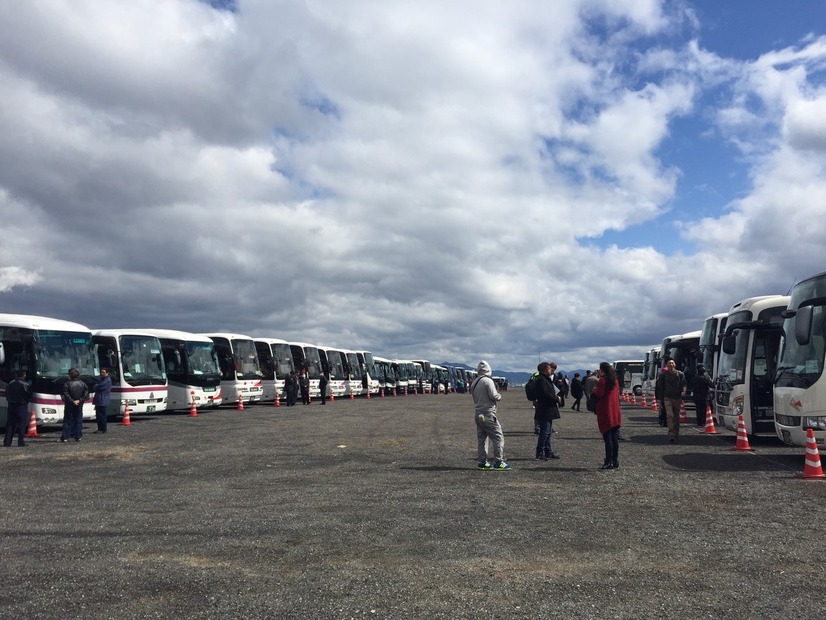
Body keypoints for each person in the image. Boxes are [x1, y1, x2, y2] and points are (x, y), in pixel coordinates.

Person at [470, 360, 509, 470]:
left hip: (478, 413)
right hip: (488, 413)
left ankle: (482, 461)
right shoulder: (488, 381)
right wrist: (499, 397)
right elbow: (493, 395)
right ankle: (499, 461)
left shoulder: (475, 382)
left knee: (482, 439)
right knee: (498, 437)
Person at [593, 362, 622, 469]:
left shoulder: (603, 380)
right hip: (615, 411)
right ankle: (615, 460)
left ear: (603, 370)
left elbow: (600, 393)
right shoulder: (615, 380)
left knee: (607, 437)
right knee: (614, 437)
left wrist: (594, 390)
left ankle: (608, 460)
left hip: (605, 410)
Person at [534, 362, 561, 460]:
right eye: (550, 369)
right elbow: (545, 394)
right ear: (545, 369)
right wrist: (556, 398)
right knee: (544, 432)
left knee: (548, 432)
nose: (551, 370)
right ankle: (540, 452)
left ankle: (548, 451)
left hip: (548, 409)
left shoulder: (545, 379)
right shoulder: (541, 380)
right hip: (544, 409)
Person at [656, 359, 686, 443]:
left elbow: (684, 384)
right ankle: (671, 435)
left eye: (672, 362)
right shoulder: (663, 375)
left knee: (676, 417)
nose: (671, 364)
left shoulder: (680, 374)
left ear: (675, 364)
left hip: (677, 397)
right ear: (667, 365)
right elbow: (660, 387)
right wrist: (659, 398)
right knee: (670, 415)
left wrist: (684, 391)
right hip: (667, 398)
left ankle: (676, 433)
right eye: (669, 363)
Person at [4, 369, 31, 447]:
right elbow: (28, 395)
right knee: (22, 424)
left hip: (11, 404)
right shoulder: (25, 384)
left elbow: (6, 393)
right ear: (24, 375)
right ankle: (20, 442)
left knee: (10, 423)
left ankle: (7, 442)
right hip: (21, 405)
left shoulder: (10, 383)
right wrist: (26, 401)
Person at [61, 368, 89, 443]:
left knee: (67, 420)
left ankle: (65, 437)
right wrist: (79, 400)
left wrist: (72, 401)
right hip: (79, 404)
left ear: (70, 375)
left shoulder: (67, 384)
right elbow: (86, 394)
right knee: (78, 420)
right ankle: (78, 436)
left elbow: (66, 394)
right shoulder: (83, 384)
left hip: (69, 404)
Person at [93, 368, 112, 434]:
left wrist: (96, 386)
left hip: (102, 399)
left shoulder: (107, 380)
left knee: (102, 415)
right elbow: (96, 386)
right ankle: (100, 428)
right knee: (98, 415)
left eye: (103, 372)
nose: (102, 373)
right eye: (101, 372)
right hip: (99, 399)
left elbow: (99, 387)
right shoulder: (101, 379)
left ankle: (103, 429)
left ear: (107, 373)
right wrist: (96, 386)